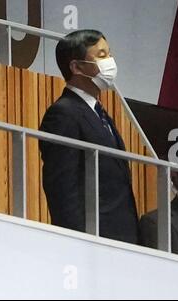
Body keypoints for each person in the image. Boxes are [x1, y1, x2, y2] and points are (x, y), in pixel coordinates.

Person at [39, 30, 139, 244]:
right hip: (92, 238)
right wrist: (77, 240)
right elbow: (62, 187)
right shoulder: (63, 113)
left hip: (122, 235)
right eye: (101, 55)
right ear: (76, 67)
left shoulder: (100, 112)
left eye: (109, 54)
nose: (110, 62)